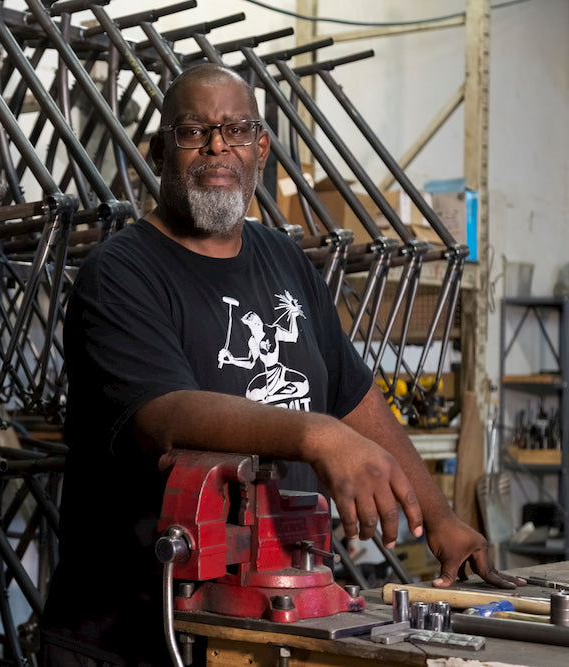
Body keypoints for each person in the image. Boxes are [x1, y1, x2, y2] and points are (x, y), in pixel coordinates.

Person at [39, 63, 522, 666]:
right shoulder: (119, 274)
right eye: (193, 131)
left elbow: (354, 398)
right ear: (160, 150)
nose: (217, 147)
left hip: (260, 627)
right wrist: (316, 436)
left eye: (235, 129)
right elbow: (164, 414)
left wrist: (441, 516)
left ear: (260, 149)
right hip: (133, 633)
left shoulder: (283, 259)